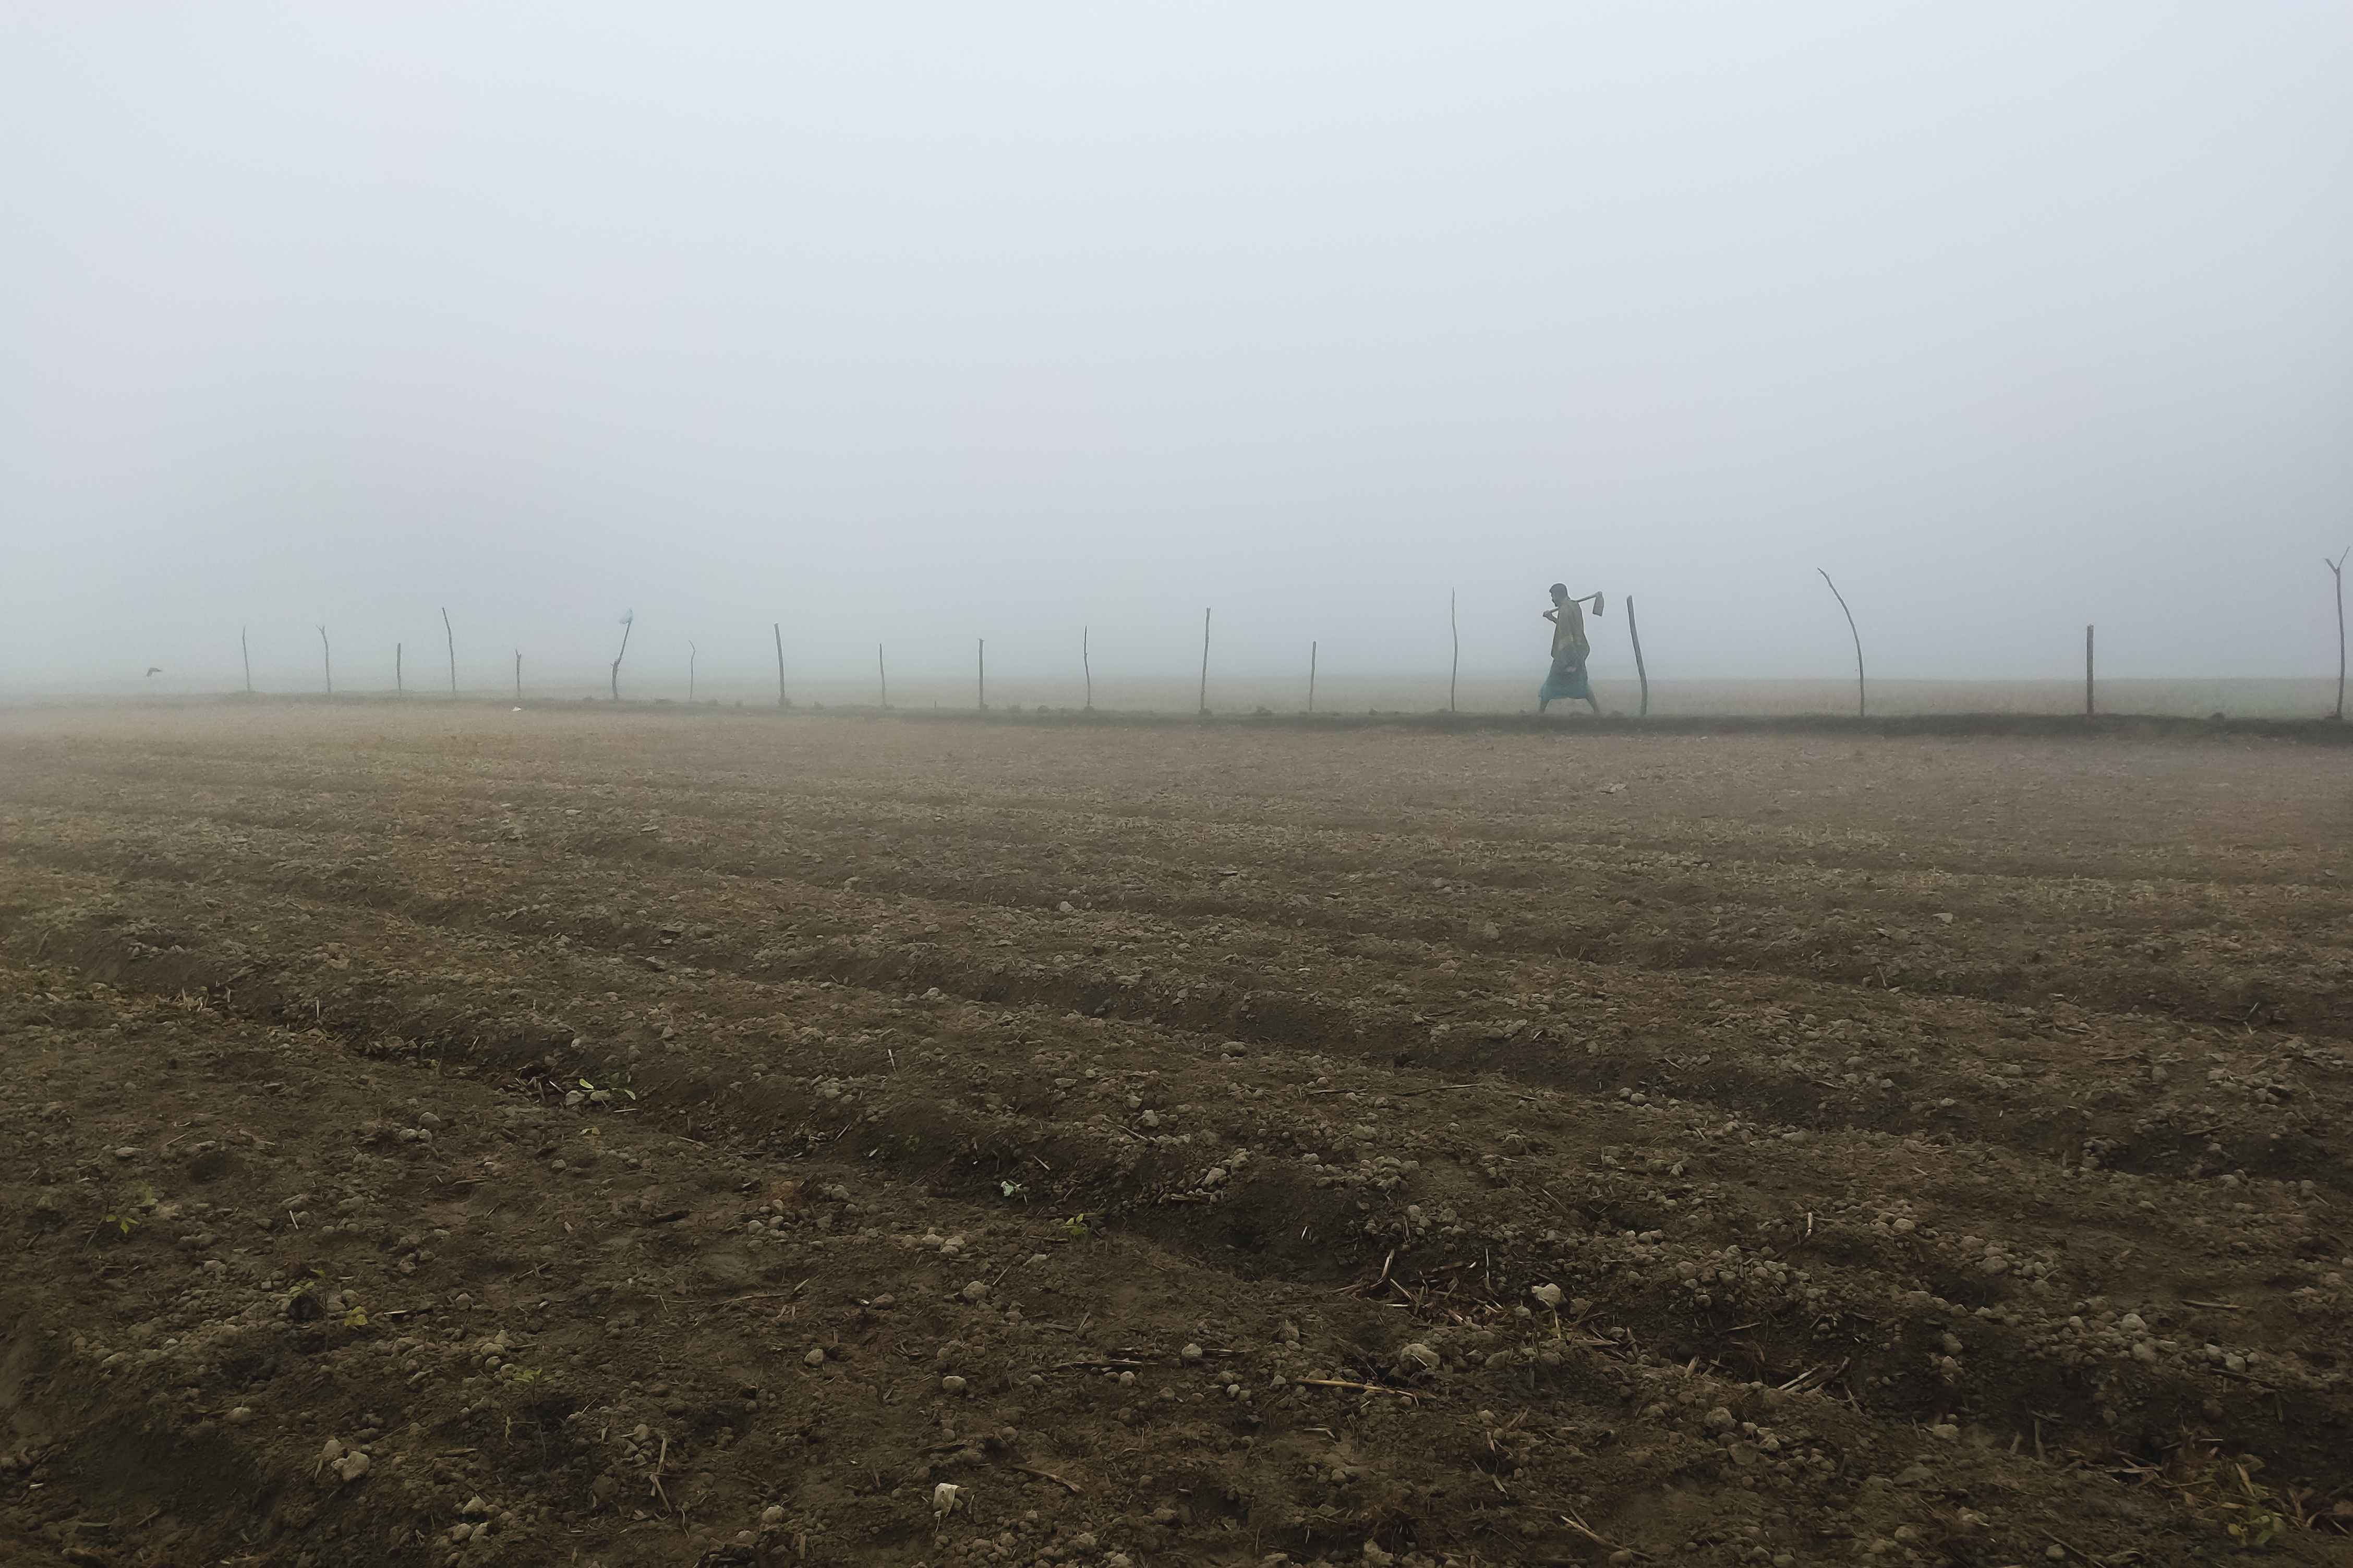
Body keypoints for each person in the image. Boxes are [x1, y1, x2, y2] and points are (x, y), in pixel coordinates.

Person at [1538, 582, 1600, 715]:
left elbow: (1566, 636)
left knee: (1551, 683)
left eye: (1552, 596)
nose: (1552, 599)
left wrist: (1570, 660)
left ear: (1558, 595)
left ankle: (1540, 714)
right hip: (1578, 652)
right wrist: (1553, 619)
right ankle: (1597, 712)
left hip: (1567, 655)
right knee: (1582, 684)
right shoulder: (1573, 606)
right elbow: (1568, 628)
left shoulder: (1565, 610)